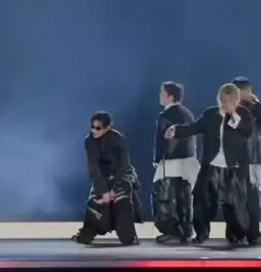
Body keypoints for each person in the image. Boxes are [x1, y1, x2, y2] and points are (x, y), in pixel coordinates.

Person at [165, 83, 253, 246]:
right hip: (211, 165)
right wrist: (176, 130)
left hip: (233, 168)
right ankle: (201, 233)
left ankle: (236, 235)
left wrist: (232, 114)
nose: (226, 104)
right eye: (224, 100)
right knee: (202, 201)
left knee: (234, 205)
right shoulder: (210, 114)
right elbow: (194, 128)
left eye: (230, 100)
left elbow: (247, 131)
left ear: (236, 100)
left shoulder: (243, 114)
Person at [76, 111, 141, 246]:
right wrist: (103, 191)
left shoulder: (118, 140)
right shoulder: (89, 141)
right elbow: (93, 167)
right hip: (102, 176)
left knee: (121, 200)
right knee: (95, 202)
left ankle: (128, 236)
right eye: (92, 127)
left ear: (107, 128)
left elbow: (124, 166)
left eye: (98, 128)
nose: (94, 131)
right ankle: (87, 234)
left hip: (121, 175)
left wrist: (114, 189)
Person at [152, 81, 199, 244]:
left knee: (164, 198)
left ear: (170, 96)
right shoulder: (188, 113)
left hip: (171, 162)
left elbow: (161, 140)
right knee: (184, 198)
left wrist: (158, 158)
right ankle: (186, 231)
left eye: (163, 93)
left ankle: (172, 230)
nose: (160, 96)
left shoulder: (166, 115)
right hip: (189, 160)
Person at [231, 76, 261, 246]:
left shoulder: (256, 107)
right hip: (234, 160)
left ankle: (253, 233)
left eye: (246, 91)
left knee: (254, 199)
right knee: (234, 199)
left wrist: (257, 105)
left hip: (253, 158)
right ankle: (236, 232)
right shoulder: (229, 107)